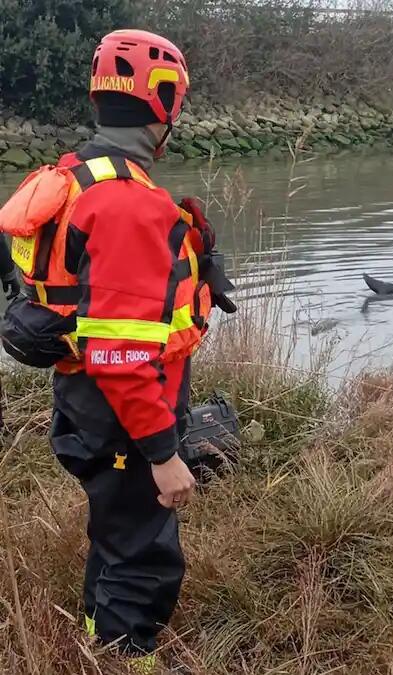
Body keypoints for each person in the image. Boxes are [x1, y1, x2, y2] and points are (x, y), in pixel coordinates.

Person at [0, 29, 232, 673]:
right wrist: (162, 455)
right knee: (145, 554)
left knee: (115, 531)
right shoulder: (129, 204)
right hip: (122, 409)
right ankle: (125, 660)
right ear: (165, 105)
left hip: (80, 401)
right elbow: (121, 355)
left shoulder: (70, 176)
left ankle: (94, 636)